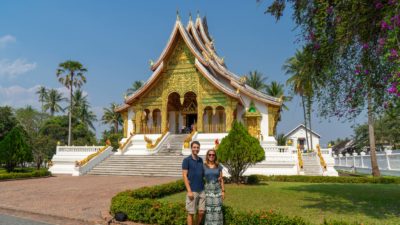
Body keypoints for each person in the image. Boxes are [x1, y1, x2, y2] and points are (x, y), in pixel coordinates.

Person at [182, 141, 205, 225]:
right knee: (191, 213)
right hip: (192, 190)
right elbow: (184, 175)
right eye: (194, 147)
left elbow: (202, 174)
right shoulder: (186, 160)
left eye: (197, 147)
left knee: (201, 211)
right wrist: (189, 191)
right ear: (191, 148)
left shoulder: (200, 160)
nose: (196, 149)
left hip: (202, 190)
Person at [203, 149, 225, 225]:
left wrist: (223, 191)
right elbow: (200, 177)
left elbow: (221, 179)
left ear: (215, 156)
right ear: (207, 156)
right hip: (208, 191)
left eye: (213, 155)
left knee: (217, 210)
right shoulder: (204, 166)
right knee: (209, 210)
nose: (211, 156)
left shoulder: (219, 166)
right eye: (210, 155)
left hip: (217, 190)